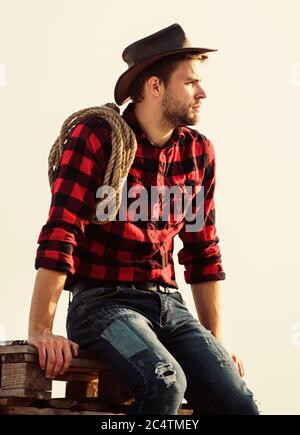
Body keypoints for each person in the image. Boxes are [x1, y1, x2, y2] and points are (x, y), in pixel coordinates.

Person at [28, 23, 259, 415]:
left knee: (238, 402)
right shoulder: (98, 137)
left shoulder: (198, 152)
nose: (202, 93)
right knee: (164, 382)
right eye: (190, 83)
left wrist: (216, 343)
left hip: (170, 305)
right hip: (103, 302)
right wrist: (40, 329)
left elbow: (204, 252)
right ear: (155, 86)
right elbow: (62, 229)